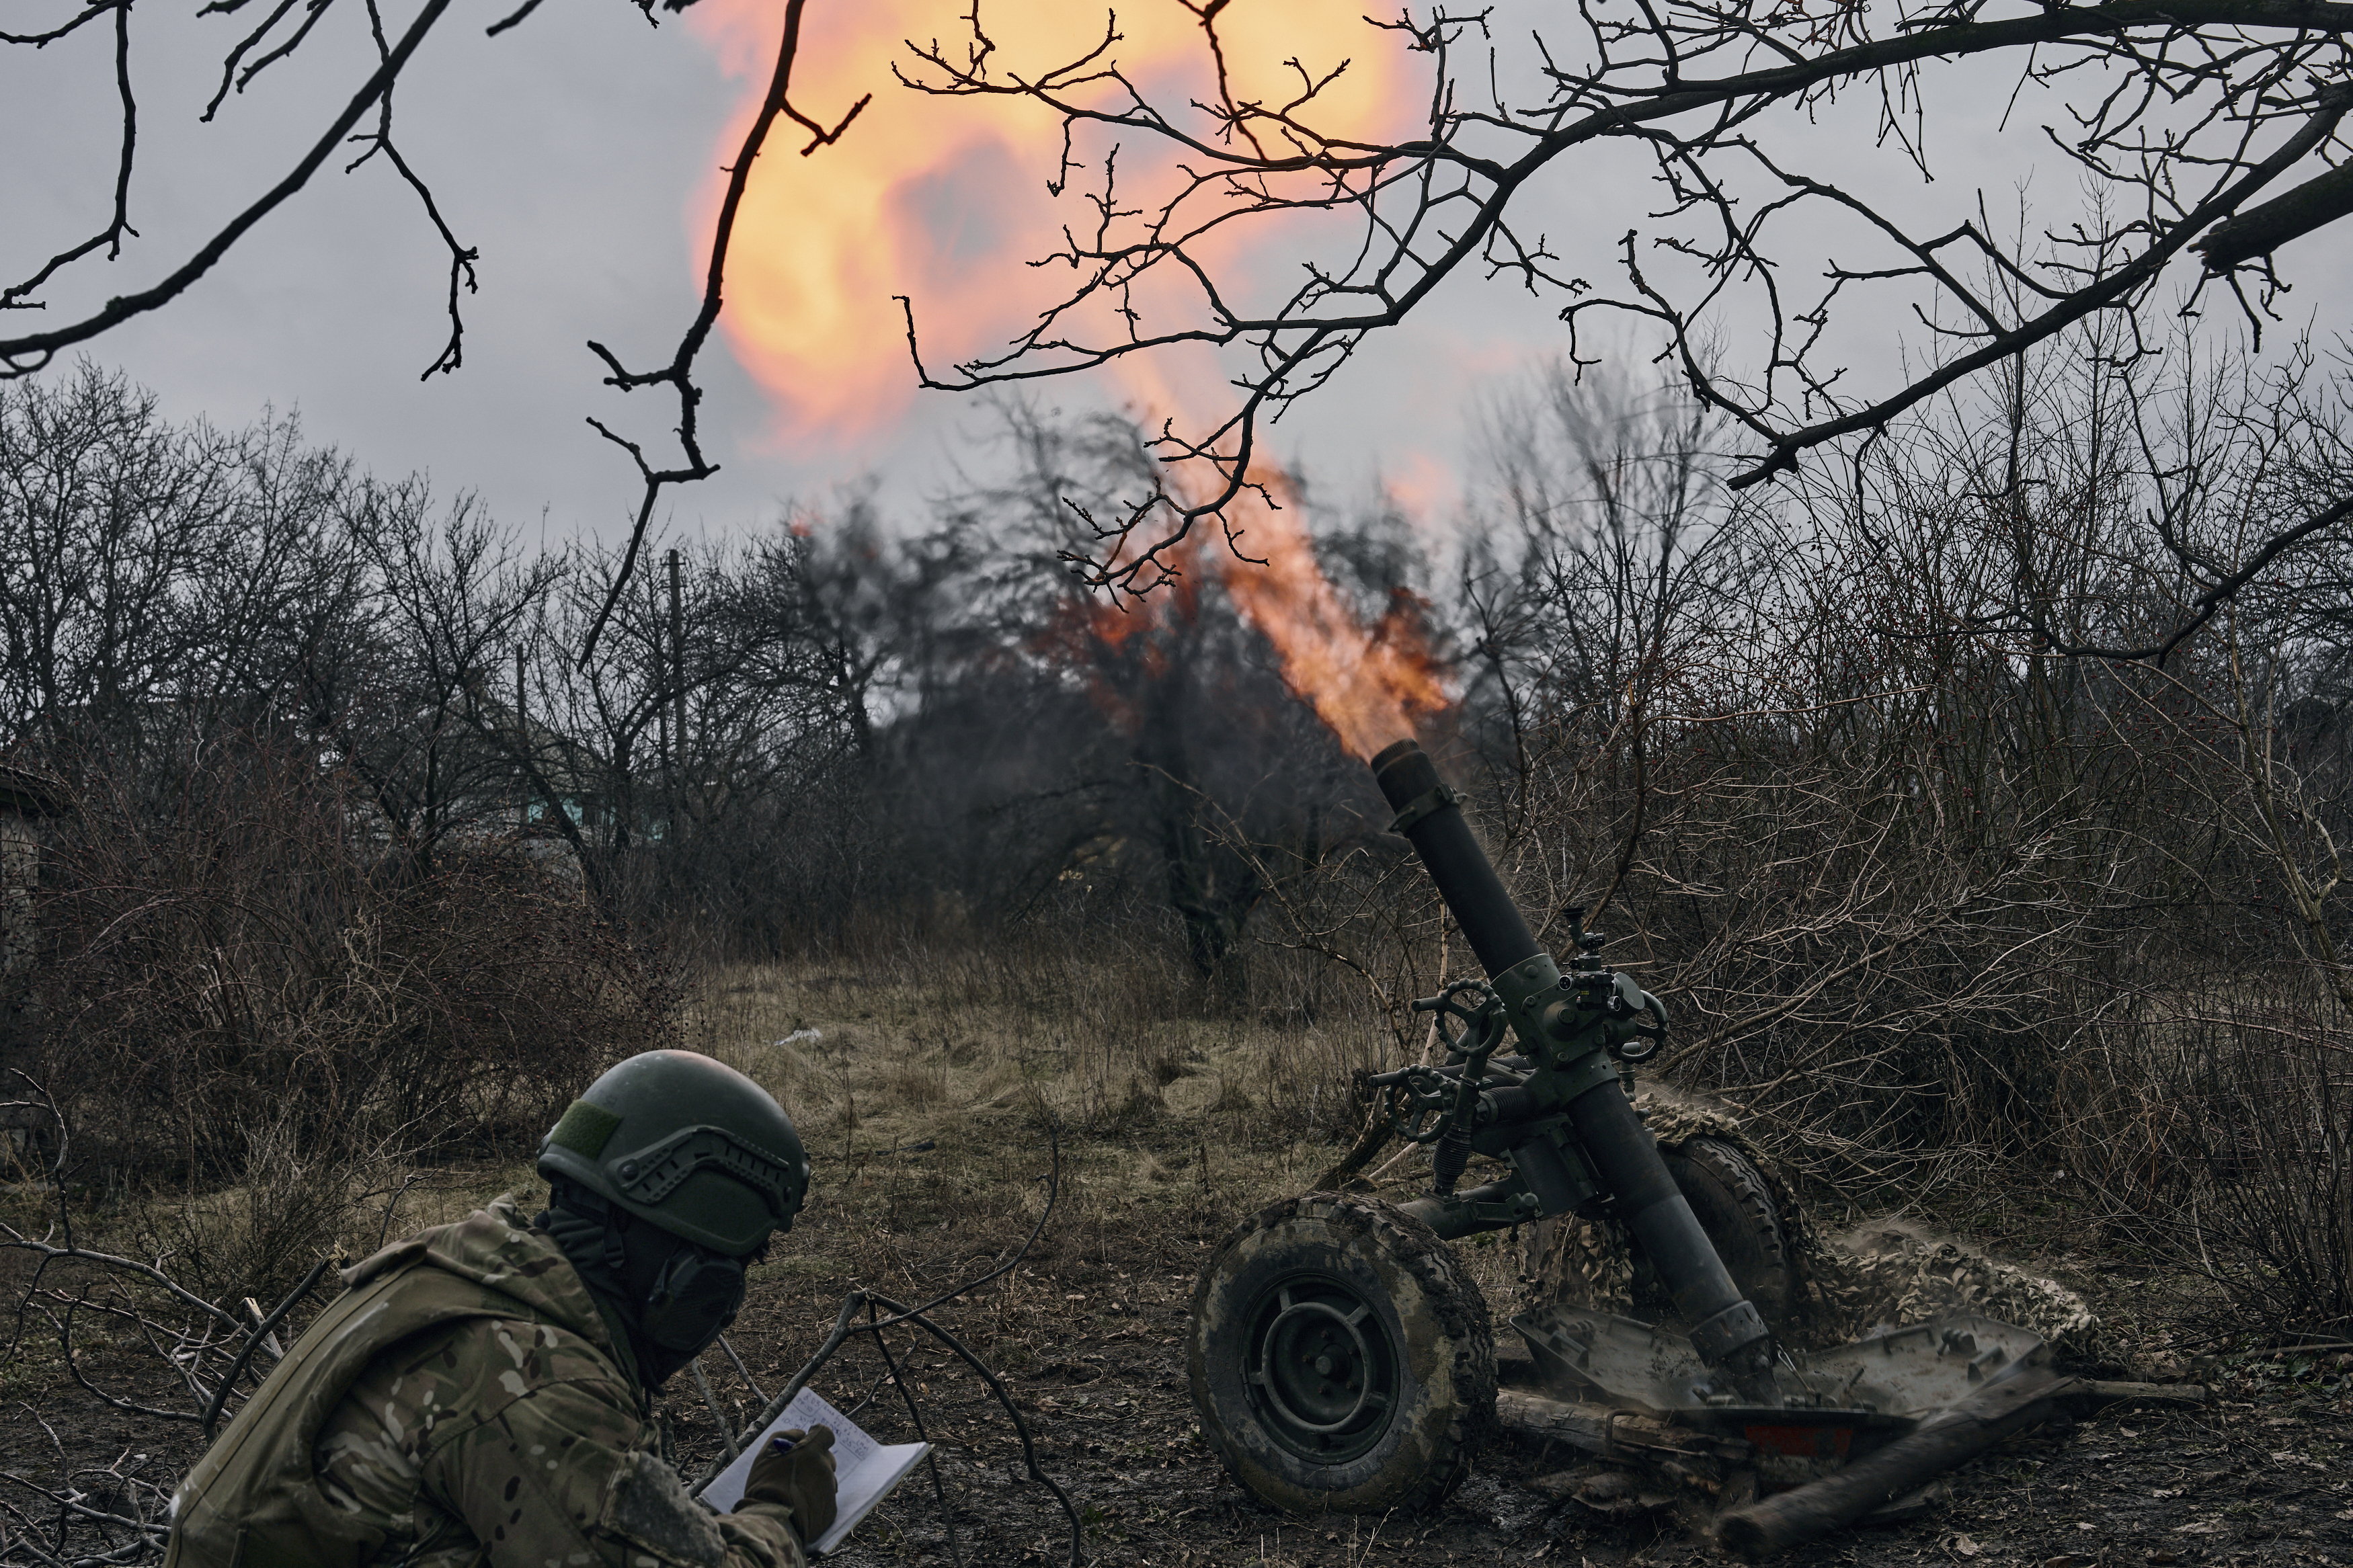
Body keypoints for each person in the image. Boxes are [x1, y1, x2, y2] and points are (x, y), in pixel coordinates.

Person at [164, 1049, 840, 1568]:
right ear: (689, 1274)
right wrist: (778, 1512)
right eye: (733, 1272)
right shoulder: (532, 1373)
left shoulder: (452, 1271)